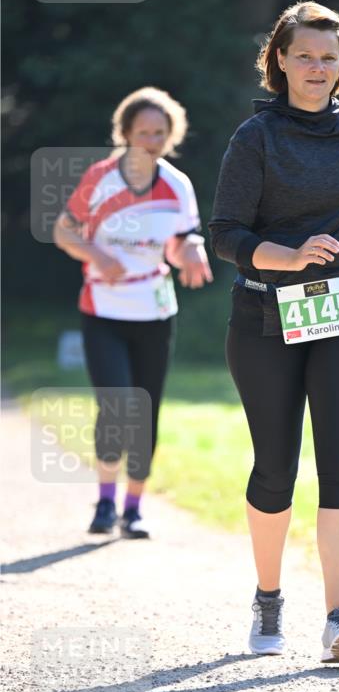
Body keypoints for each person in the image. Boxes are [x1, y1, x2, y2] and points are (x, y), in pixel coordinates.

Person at [208, 1, 339, 663]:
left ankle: (338, 617)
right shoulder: (254, 137)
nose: (316, 68)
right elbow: (227, 234)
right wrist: (287, 257)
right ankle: (268, 597)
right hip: (265, 314)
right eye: (304, 56)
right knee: (275, 466)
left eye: (329, 57)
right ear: (280, 62)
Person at [54, 86, 213, 538]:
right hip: (104, 308)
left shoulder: (177, 185)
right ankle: (105, 503)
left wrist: (194, 253)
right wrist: (96, 256)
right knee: (117, 405)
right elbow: (64, 231)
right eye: (142, 131)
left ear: (170, 136)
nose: (150, 140)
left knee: (146, 411)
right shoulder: (101, 178)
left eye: (159, 133)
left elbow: (184, 240)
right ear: (124, 133)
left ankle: (134, 508)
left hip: (155, 311)